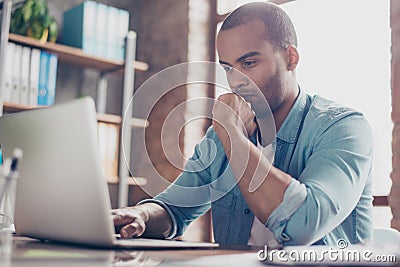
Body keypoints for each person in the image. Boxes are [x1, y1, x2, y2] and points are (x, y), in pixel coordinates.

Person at [112, 2, 373, 246]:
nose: (236, 82)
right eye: (228, 68)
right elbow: (175, 208)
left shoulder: (343, 128)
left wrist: (233, 138)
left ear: (291, 58)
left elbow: (301, 225)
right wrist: (142, 215)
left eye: (249, 63)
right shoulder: (222, 135)